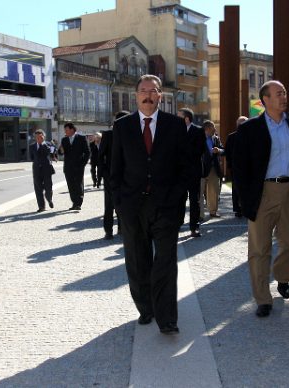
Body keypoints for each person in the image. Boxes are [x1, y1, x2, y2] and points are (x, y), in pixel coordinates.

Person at [110, 74, 190, 335]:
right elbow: (115, 170)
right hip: (133, 207)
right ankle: (146, 308)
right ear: (136, 96)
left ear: (160, 96)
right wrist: (119, 205)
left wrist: (177, 198)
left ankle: (167, 317)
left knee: (166, 261)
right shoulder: (122, 127)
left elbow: (184, 168)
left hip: (166, 206)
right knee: (137, 260)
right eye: (143, 91)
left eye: (153, 91)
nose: (148, 95)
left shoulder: (176, 126)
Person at [232, 80, 289, 318]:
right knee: (260, 248)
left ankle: (281, 276)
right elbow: (239, 167)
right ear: (265, 100)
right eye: (278, 93)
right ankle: (263, 299)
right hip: (264, 192)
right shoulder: (249, 129)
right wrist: (246, 196)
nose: (283, 97)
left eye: (285, 92)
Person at [99, 111, 129, 239]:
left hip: (127, 176)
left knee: (124, 204)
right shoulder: (108, 135)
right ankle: (108, 230)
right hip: (110, 176)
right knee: (109, 205)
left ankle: (122, 229)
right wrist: (104, 174)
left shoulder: (132, 134)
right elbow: (100, 157)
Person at [177, 107, 205, 237]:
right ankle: (177, 224)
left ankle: (194, 227)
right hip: (179, 173)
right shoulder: (174, 131)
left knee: (195, 200)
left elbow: (200, 150)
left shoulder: (198, 131)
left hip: (193, 172)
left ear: (186, 118)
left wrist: (183, 149)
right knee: (179, 200)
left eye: (179, 116)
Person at [60, 122, 90, 210]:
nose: (65, 132)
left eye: (67, 130)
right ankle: (74, 203)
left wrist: (82, 164)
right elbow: (61, 152)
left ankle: (78, 203)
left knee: (78, 184)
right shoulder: (64, 140)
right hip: (68, 167)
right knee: (71, 185)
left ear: (72, 129)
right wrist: (61, 151)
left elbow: (87, 152)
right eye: (64, 130)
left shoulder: (81, 138)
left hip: (79, 166)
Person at [201, 120, 225, 219]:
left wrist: (219, 150)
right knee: (199, 193)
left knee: (214, 191)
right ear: (206, 129)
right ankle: (199, 215)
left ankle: (213, 211)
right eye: (213, 127)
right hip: (201, 169)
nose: (215, 129)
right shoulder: (198, 138)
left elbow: (223, 150)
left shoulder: (216, 139)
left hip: (214, 169)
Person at [225, 116, 248, 219]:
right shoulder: (231, 137)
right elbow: (227, 152)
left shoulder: (251, 136)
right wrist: (230, 165)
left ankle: (246, 208)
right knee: (236, 189)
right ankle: (237, 209)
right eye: (240, 124)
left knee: (248, 188)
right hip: (236, 168)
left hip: (249, 168)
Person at [29, 129, 55, 212]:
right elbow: (32, 158)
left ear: (44, 137)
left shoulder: (49, 144)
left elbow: (52, 153)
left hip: (46, 169)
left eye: (40, 137)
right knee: (38, 189)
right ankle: (41, 207)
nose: (38, 139)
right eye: (36, 137)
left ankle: (49, 199)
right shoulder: (32, 146)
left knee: (48, 187)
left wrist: (44, 145)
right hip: (36, 170)